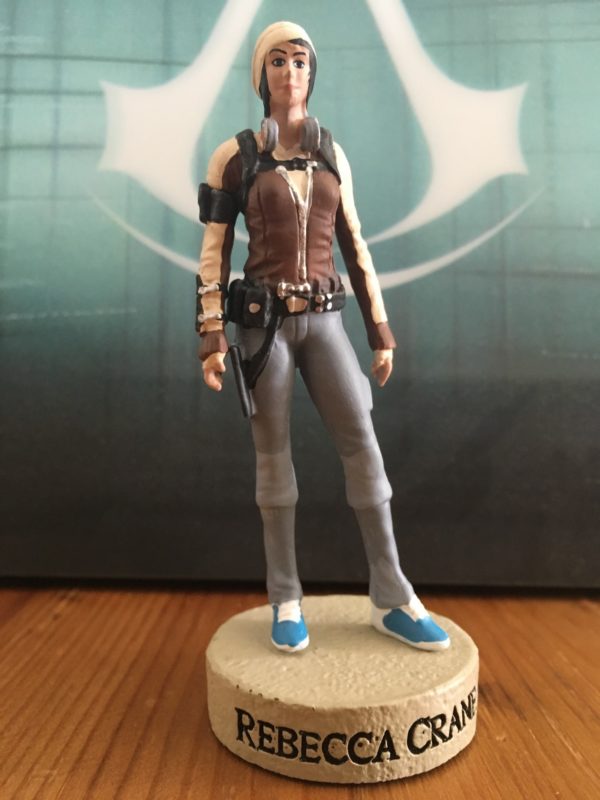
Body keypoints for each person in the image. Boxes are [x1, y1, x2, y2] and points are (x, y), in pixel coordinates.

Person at [197, 21, 449, 653]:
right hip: (264, 330)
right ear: (262, 75)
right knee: (273, 462)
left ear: (313, 74)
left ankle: (391, 593)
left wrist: (379, 329)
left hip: (326, 321)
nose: (291, 72)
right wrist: (211, 334)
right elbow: (213, 252)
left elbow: (355, 244)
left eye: (301, 61)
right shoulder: (235, 158)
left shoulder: (332, 153)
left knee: (363, 446)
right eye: (278, 61)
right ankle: (285, 595)